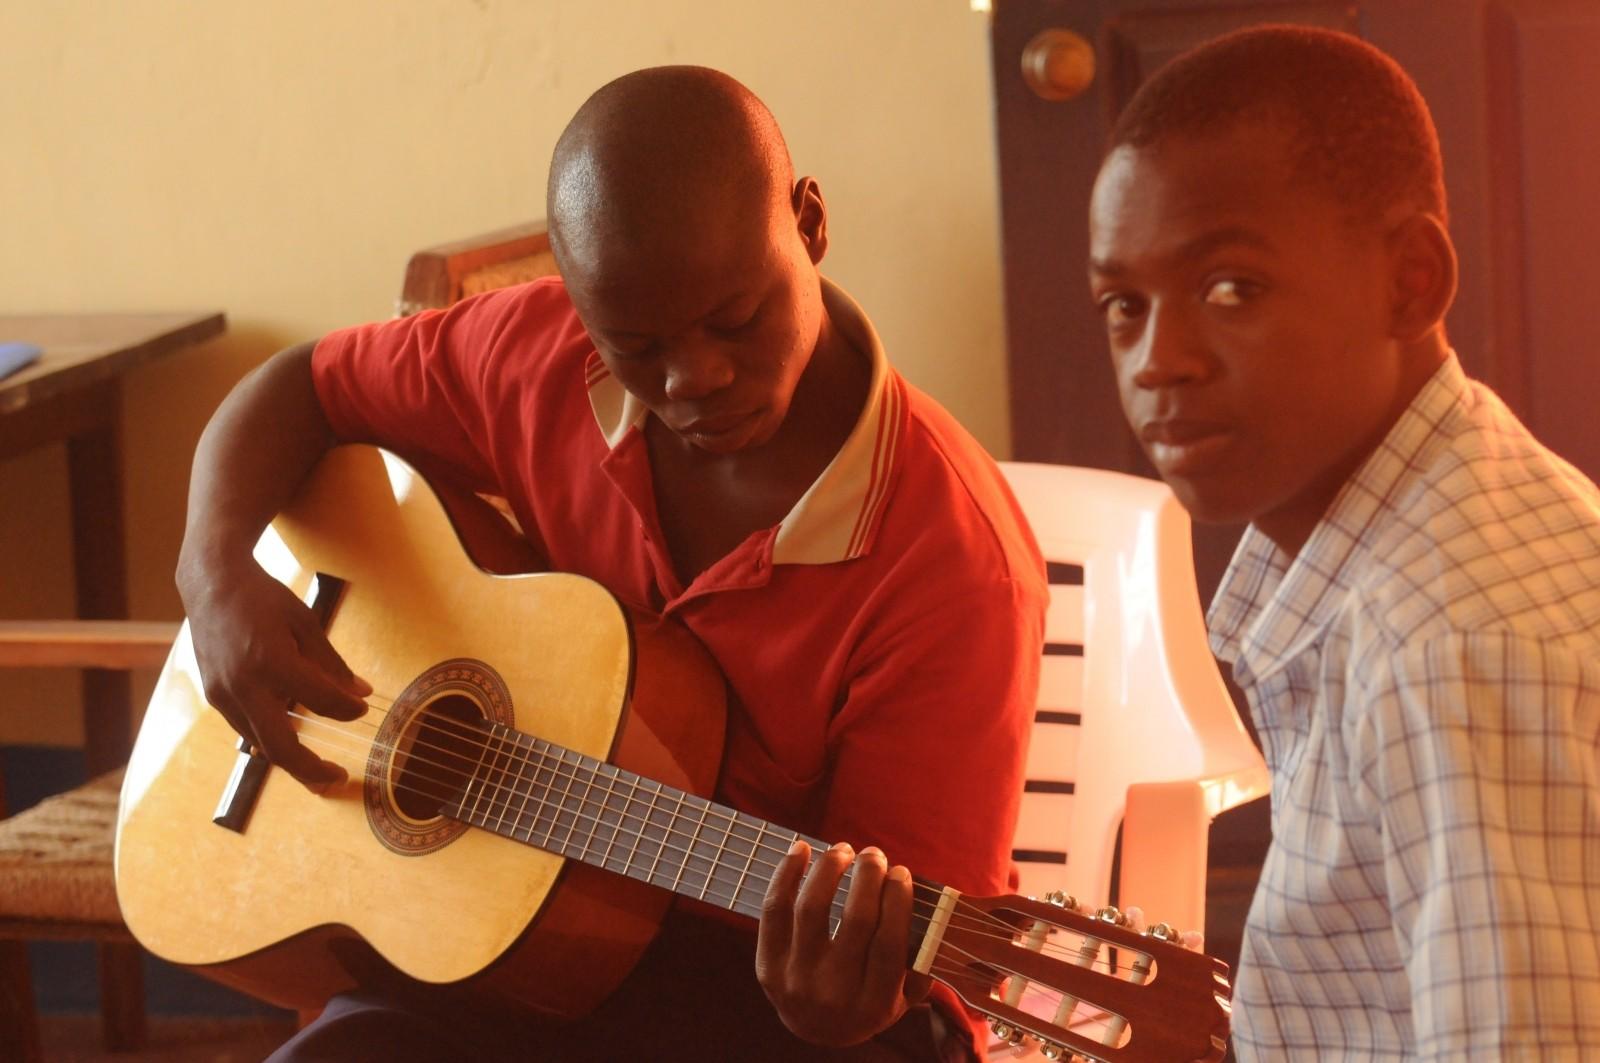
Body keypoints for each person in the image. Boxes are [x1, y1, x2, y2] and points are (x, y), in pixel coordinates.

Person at [174, 65, 1046, 1061]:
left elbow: (894, 950)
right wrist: (214, 578)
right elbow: (301, 386)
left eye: (736, 318)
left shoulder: (955, 561)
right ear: (580, 308)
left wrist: (840, 1007)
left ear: (808, 225)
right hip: (510, 912)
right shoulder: (537, 354)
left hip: (762, 978)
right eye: (636, 343)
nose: (694, 378)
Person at [1087, 24, 1600, 1059]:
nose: (1158, 360)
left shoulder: (1449, 641)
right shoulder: (1409, 530)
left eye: (1230, 288)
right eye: (1123, 306)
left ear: (1409, 281)